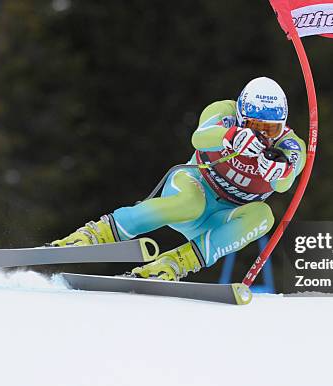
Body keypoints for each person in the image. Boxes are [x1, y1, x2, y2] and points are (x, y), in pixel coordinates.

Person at [51, 77, 306, 280]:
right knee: (191, 203)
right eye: (253, 125)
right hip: (195, 186)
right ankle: (96, 234)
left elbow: (284, 184)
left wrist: (280, 169)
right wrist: (230, 136)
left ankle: (176, 263)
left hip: (220, 218)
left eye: (271, 128)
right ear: (240, 115)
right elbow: (200, 137)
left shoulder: (290, 144)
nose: (263, 135)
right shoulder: (223, 111)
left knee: (263, 217)